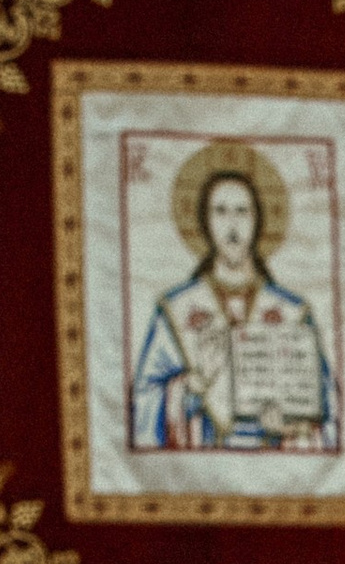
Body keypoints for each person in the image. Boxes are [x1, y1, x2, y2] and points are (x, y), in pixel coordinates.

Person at [131, 155, 334, 452]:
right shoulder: (175, 310)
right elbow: (143, 405)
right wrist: (189, 388)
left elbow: (329, 414)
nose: (232, 224)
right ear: (205, 221)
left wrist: (292, 428)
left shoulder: (294, 312)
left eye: (242, 211)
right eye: (220, 211)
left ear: (258, 220)